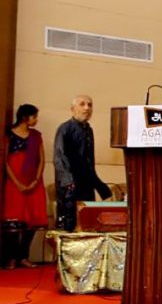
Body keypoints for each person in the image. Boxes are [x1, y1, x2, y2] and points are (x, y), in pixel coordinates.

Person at [53, 95, 111, 232]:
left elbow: (88, 161)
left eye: (90, 105)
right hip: (70, 185)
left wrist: (99, 186)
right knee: (69, 223)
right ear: (72, 109)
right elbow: (59, 157)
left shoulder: (88, 130)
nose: (87, 108)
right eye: (82, 104)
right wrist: (68, 181)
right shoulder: (65, 129)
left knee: (87, 222)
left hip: (86, 183)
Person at [3, 104, 48, 268]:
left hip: (34, 183)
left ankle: (23, 256)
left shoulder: (36, 136)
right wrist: (17, 183)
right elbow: (6, 161)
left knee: (33, 220)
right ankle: (10, 258)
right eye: (34, 116)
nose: (36, 119)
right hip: (14, 182)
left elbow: (41, 159)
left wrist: (35, 180)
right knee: (13, 220)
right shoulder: (9, 134)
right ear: (24, 117)